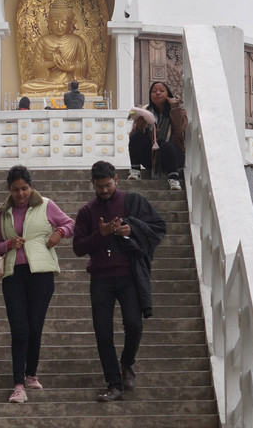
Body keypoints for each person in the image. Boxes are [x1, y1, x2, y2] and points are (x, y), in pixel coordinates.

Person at [73, 160, 166, 403]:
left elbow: (158, 227)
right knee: (103, 332)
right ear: (92, 183)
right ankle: (113, 383)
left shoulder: (133, 202)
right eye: (99, 186)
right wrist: (100, 234)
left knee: (134, 325)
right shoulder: (86, 211)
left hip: (129, 276)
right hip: (100, 278)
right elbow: (78, 248)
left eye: (107, 185)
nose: (104, 190)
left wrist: (131, 229)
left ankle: (127, 362)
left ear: (116, 179)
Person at [0, 165, 76, 404]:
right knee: (19, 328)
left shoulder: (46, 205)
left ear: (31, 186)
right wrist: (8, 245)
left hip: (41, 274)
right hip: (13, 275)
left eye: (24, 188)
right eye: (15, 189)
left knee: (35, 326)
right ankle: (18, 384)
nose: (21, 194)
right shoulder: (3, 212)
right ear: (9, 189)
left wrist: (59, 232)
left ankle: (31, 374)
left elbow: (70, 224)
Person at [21, 0, 97, 95]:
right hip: (48, 82)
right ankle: (60, 87)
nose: (59, 26)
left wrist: (69, 67)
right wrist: (53, 63)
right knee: (25, 87)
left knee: (93, 87)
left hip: (71, 82)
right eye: (55, 22)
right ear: (49, 23)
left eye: (64, 22)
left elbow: (84, 66)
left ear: (70, 23)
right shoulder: (43, 41)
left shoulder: (78, 41)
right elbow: (37, 67)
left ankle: (63, 87)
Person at [128, 81, 188, 190]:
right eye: (154, 91)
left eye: (161, 91)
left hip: (173, 155)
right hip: (151, 157)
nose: (158, 93)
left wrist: (174, 107)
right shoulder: (145, 110)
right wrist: (140, 126)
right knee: (136, 137)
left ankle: (174, 178)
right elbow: (134, 137)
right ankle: (135, 171)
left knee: (166, 145)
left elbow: (179, 129)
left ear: (168, 94)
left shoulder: (178, 110)